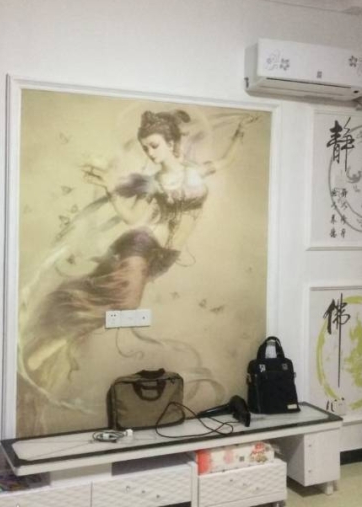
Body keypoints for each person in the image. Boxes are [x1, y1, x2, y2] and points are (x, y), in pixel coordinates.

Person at [17, 109, 255, 433]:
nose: (150, 152)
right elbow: (132, 219)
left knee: (105, 307)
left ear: (171, 142)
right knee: (126, 305)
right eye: (146, 148)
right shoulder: (154, 183)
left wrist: (240, 132)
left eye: (154, 145)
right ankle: (43, 352)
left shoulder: (195, 172)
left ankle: (48, 349)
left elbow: (225, 161)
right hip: (141, 244)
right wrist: (110, 190)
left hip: (162, 258)